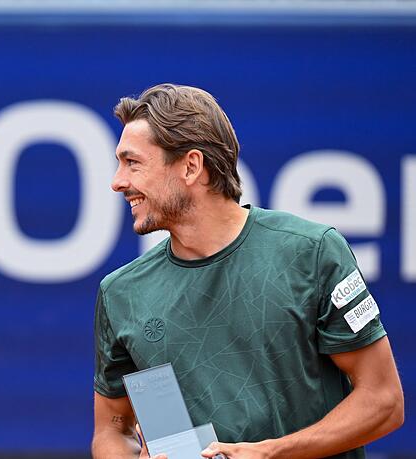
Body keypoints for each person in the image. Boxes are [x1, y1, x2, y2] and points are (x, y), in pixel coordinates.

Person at [92, 83, 403, 459]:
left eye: (133, 162)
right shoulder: (121, 293)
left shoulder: (313, 252)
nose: (117, 181)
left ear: (191, 166)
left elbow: (383, 401)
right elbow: (114, 429)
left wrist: (272, 452)